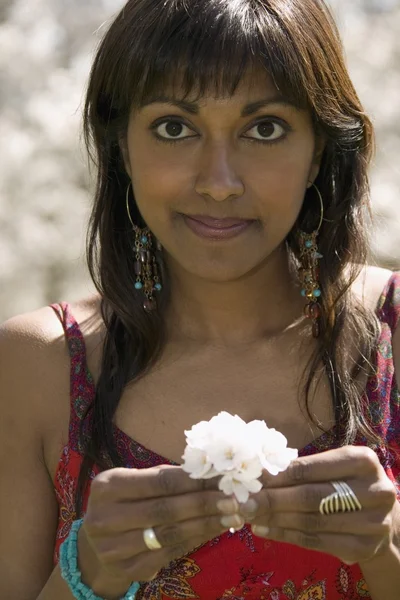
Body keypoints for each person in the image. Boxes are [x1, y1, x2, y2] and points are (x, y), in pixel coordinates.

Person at [1, 0, 400, 598]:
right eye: (174, 127)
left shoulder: (393, 331)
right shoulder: (36, 366)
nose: (219, 182)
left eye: (264, 128)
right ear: (120, 146)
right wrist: (89, 572)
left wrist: (388, 547)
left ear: (318, 149)